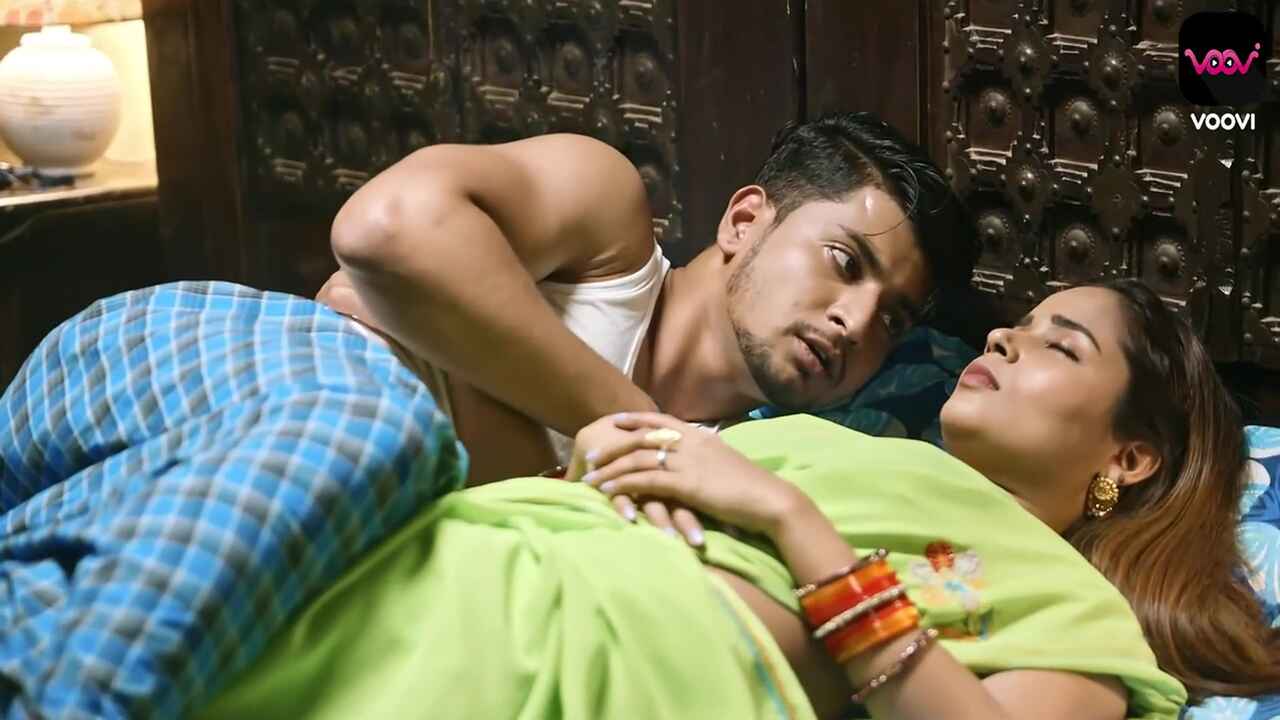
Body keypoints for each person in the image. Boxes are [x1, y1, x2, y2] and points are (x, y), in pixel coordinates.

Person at [196, 280, 1280, 720]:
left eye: (1059, 345)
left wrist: (791, 523)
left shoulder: (1080, 613)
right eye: (1020, 320)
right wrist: (601, 456)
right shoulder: (829, 434)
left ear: (1130, 457)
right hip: (492, 543)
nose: (1004, 335)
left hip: (609, 652)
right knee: (256, 339)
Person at [316, 112, 976, 490]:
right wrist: (639, 426)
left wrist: (457, 371)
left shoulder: (743, 474)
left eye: (892, 320)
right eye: (844, 261)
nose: (855, 323)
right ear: (744, 221)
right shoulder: (605, 229)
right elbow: (384, 231)